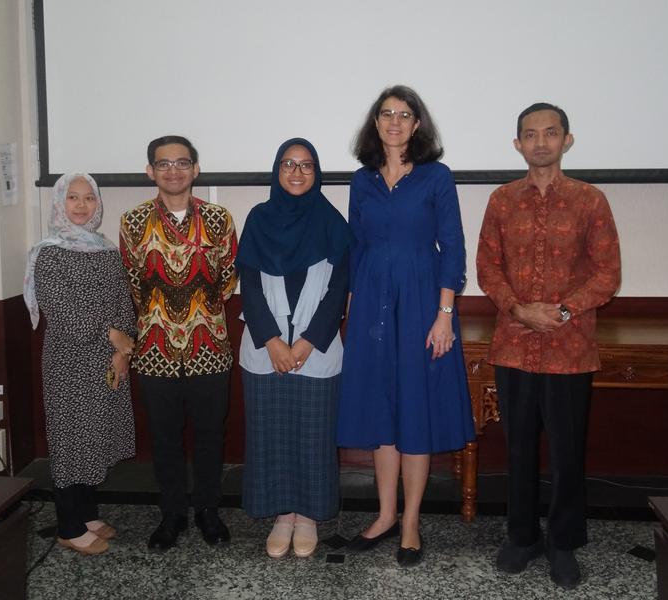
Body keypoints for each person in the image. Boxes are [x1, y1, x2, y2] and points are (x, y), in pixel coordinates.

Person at [476, 103, 621, 589]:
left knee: (566, 451)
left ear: (567, 140)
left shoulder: (590, 201)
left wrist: (559, 311)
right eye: (530, 135)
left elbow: (608, 276)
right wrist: (519, 310)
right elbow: (487, 269)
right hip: (513, 345)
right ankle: (521, 537)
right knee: (517, 448)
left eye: (550, 133)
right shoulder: (501, 201)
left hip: (569, 346)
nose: (541, 142)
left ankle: (562, 542)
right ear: (517, 144)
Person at [337, 85, 476, 567]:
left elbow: (453, 249)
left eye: (404, 114)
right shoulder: (361, 180)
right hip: (373, 302)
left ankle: (411, 521)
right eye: (386, 113)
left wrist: (445, 315)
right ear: (375, 123)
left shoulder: (436, 177)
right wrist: (352, 307)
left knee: (414, 409)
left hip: (422, 302)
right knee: (381, 413)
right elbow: (355, 246)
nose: (394, 121)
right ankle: (384, 515)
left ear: (418, 125)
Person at [120, 135, 238, 552]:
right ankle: (171, 513)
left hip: (210, 345)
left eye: (182, 162)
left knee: (210, 434)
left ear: (196, 169)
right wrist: (163, 319)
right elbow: (132, 283)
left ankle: (208, 510)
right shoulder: (133, 221)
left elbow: (227, 281)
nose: (173, 170)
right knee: (165, 437)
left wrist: (195, 317)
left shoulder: (220, 219)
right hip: (154, 349)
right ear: (150, 171)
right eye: (163, 164)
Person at [237, 138, 351, 559]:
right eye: (289, 164)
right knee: (271, 436)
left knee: (313, 437)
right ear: (277, 170)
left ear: (316, 172)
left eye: (306, 165)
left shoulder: (333, 224)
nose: (297, 173)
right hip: (265, 352)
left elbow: (339, 290)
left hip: (315, 349)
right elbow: (248, 286)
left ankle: (308, 516)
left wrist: (303, 343)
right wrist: (272, 342)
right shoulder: (259, 219)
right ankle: (283, 515)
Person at [24, 173, 136, 555]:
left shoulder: (105, 249)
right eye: (72, 197)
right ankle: (68, 526)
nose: (81, 205)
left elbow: (124, 301)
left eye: (89, 198)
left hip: (107, 362)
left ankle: (87, 515)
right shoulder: (49, 253)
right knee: (72, 441)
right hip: (69, 362)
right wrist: (112, 335)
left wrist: (123, 351)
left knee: (95, 438)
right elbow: (64, 314)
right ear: (59, 203)